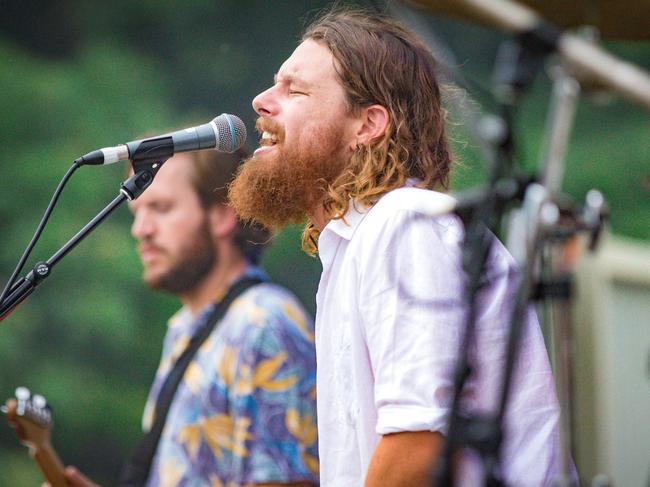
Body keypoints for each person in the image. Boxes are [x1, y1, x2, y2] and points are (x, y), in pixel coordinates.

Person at [228, 8, 562, 487]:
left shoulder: (405, 224)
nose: (261, 101)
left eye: (294, 89)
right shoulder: (355, 248)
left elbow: (418, 445)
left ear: (368, 125)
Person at [58, 148, 319, 486]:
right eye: (136, 213)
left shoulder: (264, 323)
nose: (141, 230)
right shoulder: (183, 328)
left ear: (223, 215)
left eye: (161, 208)